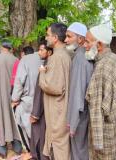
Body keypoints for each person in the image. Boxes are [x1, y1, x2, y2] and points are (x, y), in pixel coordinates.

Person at [85, 24, 116, 160]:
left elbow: (96, 110)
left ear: (99, 45)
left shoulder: (102, 66)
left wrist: (98, 144)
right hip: (115, 127)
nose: (85, 45)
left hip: (103, 132)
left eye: (87, 41)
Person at [39, 23, 71, 160]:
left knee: (59, 145)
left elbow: (54, 87)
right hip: (61, 107)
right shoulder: (66, 54)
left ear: (55, 37)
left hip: (58, 110)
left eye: (48, 35)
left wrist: (42, 73)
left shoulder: (57, 57)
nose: (46, 38)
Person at [0, 41, 22, 159]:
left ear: (1, 47)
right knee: (14, 121)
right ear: (10, 48)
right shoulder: (16, 60)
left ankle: (2, 149)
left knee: (0, 120)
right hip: (14, 97)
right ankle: (17, 147)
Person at [65, 22, 93, 160]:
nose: (65, 40)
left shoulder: (80, 59)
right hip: (83, 114)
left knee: (79, 151)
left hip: (80, 116)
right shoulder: (81, 56)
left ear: (80, 39)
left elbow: (77, 94)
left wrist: (73, 123)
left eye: (69, 36)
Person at [11, 44, 44, 152]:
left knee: (27, 128)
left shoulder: (25, 60)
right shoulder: (46, 58)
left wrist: (15, 99)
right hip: (44, 99)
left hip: (28, 101)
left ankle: (33, 152)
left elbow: (20, 81)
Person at [30, 40, 52, 160]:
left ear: (49, 52)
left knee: (40, 136)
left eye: (41, 50)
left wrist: (35, 113)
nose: (39, 52)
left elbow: (41, 91)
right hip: (46, 108)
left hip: (43, 109)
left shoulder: (47, 67)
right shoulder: (47, 64)